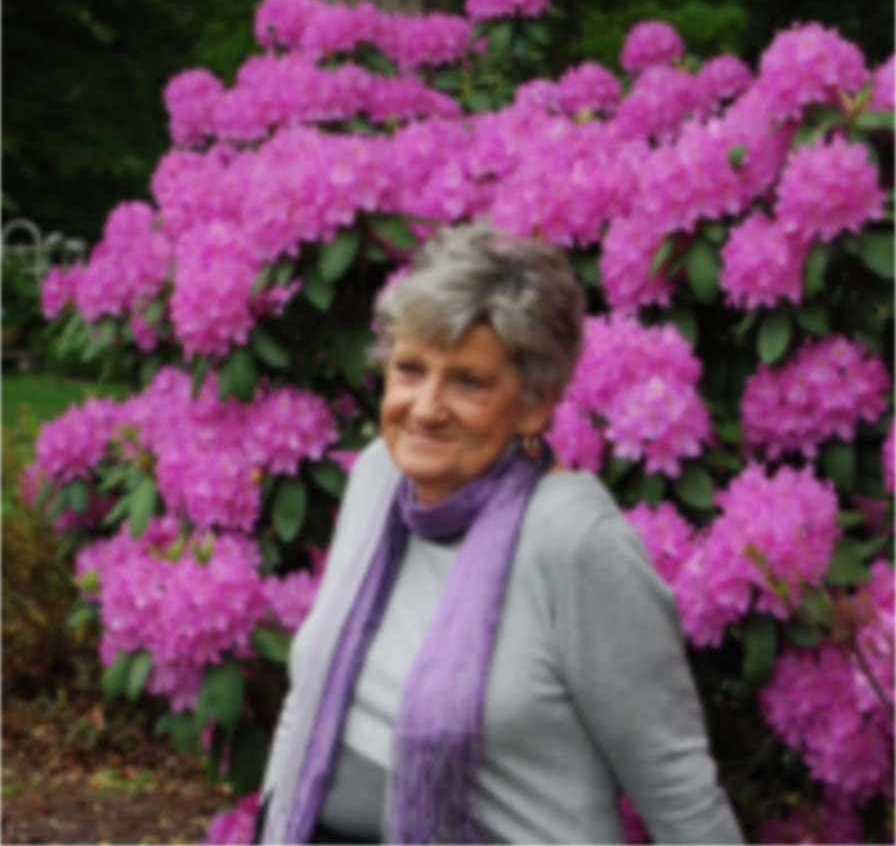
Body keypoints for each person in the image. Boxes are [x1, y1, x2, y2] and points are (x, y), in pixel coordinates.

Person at [254, 224, 744, 846]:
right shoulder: (381, 475)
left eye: (468, 382)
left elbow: (677, 790)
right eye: (410, 369)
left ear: (536, 403)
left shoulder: (575, 540)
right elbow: (311, 695)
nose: (425, 407)